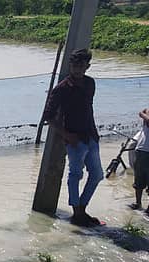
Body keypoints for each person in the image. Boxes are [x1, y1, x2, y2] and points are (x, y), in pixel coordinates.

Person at [43, 48, 103, 227]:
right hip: (74, 138)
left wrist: (94, 134)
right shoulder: (61, 89)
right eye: (74, 65)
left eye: (81, 66)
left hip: (91, 136)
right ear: (70, 66)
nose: (77, 69)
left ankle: (82, 208)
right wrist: (67, 135)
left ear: (87, 67)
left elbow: (88, 110)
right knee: (75, 174)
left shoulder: (90, 84)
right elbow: (48, 116)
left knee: (97, 175)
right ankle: (77, 213)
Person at [131, 95, 149, 214]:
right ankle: (138, 203)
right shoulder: (147, 111)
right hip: (141, 149)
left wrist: (143, 114)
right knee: (138, 179)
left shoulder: (147, 113)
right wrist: (144, 113)